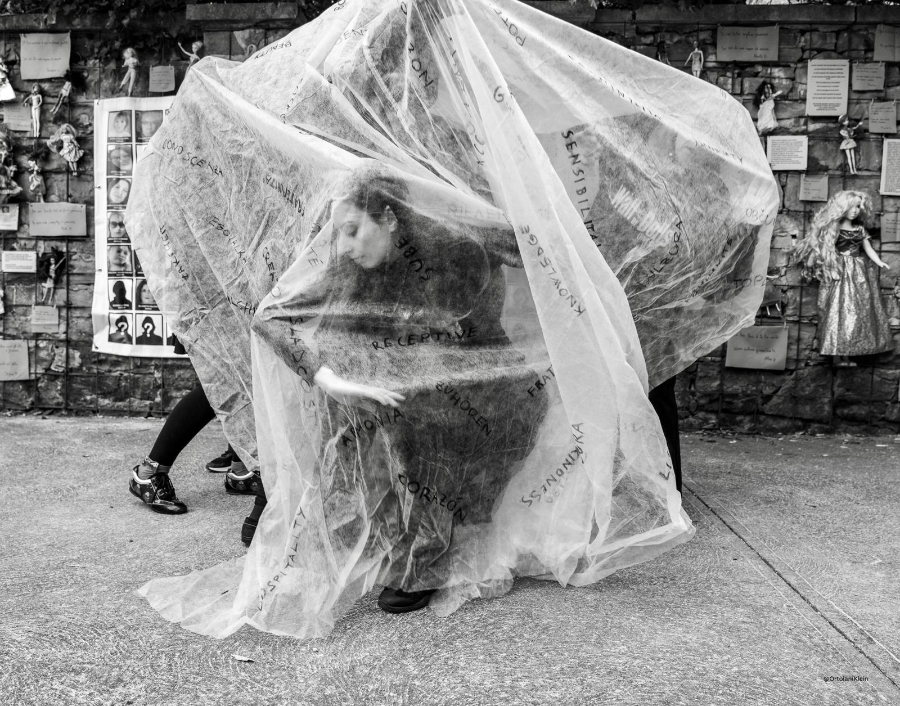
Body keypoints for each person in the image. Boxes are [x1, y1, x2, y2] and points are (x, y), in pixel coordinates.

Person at [252, 163, 548, 613]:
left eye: (353, 231)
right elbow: (270, 317)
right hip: (405, 393)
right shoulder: (350, 268)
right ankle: (394, 539)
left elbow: (534, 248)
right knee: (377, 427)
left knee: (428, 430)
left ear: (389, 218)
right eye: (340, 234)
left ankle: (428, 557)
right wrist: (330, 380)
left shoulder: (454, 242)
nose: (345, 246)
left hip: (486, 392)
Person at [790, 190, 892, 366]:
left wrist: (879, 262)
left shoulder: (859, 229)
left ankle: (849, 353)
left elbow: (868, 248)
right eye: (851, 207)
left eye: (858, 207)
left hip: (858, 273)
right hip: (838, 270)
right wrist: (825, 265)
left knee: (856, 311)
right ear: (842, 207)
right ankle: (836, 356)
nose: (855, 210)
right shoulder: (834, 229)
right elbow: (825, 248)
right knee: (836, 310)